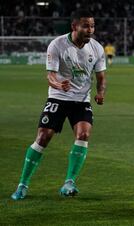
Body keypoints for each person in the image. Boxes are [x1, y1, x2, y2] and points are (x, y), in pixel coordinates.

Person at [11, 9, 107, 200]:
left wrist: (100, 92)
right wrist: (58, 84)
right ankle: (22, 185)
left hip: (81, 100)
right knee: (43, 137)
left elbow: (101, 76)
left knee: (84, 134)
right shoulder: (57, 45)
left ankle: (69, 182)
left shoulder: (97, 48)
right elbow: (50, 76)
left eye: (92, 26)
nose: (90, 30)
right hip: (58, 97)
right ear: (74, 26)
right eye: (86, 26)